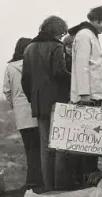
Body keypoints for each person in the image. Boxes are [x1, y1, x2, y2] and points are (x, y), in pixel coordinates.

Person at [21, 16, 70, 191]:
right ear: (57, 31)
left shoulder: (29, 48)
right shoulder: (57, 46)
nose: (62, 35)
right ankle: (60, 187)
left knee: (44, 147)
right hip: (57, 101)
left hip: (38, 103)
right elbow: (59, 73)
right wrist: (74, 79)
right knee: (59, 145)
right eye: (62, 32)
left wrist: (32, 98)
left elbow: (25, 80)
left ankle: (48, 187)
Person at [69, 6, 102, 185]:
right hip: (88, 98)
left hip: (93, 96)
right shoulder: (85, 36)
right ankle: (84, 181)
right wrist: (84, 94)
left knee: (91, 143)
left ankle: (88, 180)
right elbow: (82, 66)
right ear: (95, 19)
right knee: (86, 143)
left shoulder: (89, 35)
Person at [3, 38, 43, 193]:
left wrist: (15, 104)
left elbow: (6, 90)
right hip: (36, 110)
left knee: (29, 148)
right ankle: (38, 181)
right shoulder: (35, 65)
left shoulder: (10, 67)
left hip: (21, 113)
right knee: (39, 148)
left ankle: (31, 182)